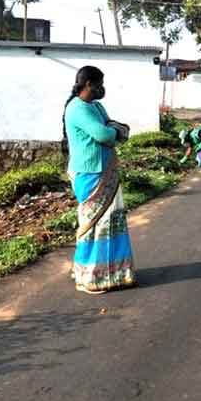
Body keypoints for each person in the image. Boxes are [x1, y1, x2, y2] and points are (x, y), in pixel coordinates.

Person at [62, 66, 136, 295]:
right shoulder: (76, 108)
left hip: (106, 170)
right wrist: (114, 132)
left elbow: (113, 126)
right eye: (99, 84)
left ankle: (114, 273)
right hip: (89, 174)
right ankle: (89, 277)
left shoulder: (96, 106)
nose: (102, 89)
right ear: (88, 84)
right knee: (93, 225)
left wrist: (113, 131)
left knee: (111, 222)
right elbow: (104, 133)